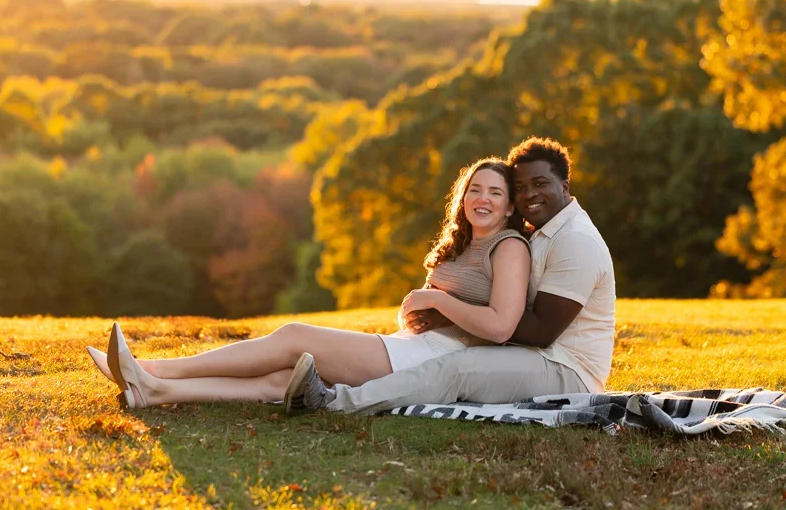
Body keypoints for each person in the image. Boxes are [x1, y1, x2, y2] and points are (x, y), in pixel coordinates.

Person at [87, 157, 533, 409]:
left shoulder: (509, 247)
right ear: (463, 196)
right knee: (281, 379)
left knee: (293, 337)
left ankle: (151, 370)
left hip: (438, 360)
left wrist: (432, 298)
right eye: (476, 189)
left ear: (511, 208)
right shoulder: (463, 243)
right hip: (414, 346)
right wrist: (420, 308)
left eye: (495, 193)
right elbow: (441, 307)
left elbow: (499, 326)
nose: (483, 199)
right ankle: (157, 391)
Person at [284, 136, 616, 414]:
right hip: (540, 357)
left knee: (459, 367)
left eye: (540, 184)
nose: (529, 194)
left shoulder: (576, 240)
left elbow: (542, 331)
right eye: (521, 187)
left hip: (569, 369)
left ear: (564, 185)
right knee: (452, 358)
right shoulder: (542, 231)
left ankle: (332, 402)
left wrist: (447, 307)